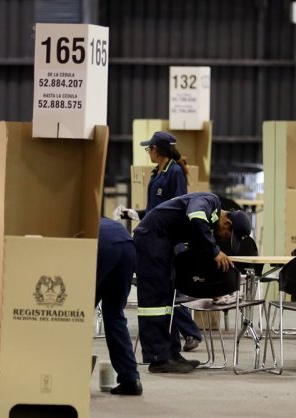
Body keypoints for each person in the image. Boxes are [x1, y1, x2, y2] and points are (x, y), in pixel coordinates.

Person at [133, 192, 251, 373]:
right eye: (228, 235)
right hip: (151, 239)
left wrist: (213, 285)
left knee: (168, 301)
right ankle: (158, 358)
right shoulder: (209, 201)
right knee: (155, 302)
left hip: (162, 243)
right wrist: (214, 251)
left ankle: (171, 354)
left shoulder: (209, 223)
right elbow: (195, 217)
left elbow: (196, 250)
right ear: (228, 223)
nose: (224, 239)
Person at [115, 131, 204, 352]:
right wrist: (134, 213)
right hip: (152, 237)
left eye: (150, 149)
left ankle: (191, 331)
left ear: (157, 149)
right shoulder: (157, 174)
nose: (149, 153)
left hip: (165, 241)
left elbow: (179, 208)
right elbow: (156, 211)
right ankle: (188, 331)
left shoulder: (174, 173)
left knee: (165, 289)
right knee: (161, 288)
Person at [95, 218, 142, 395]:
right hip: (128, 246)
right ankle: (130, 379)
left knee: (77, 314)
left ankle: (69, 376)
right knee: (114, 314)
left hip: (103, 246)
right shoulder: (96, 219)